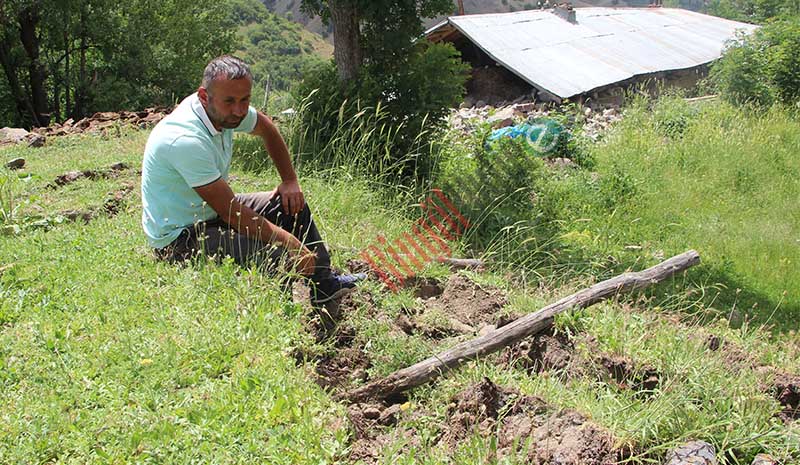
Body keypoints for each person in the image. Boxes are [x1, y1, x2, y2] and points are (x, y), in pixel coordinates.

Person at [141, 55, 364, 304]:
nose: (239, 110)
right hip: (182, 237)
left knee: (290, 204)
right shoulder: (184, 139)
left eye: (245, 100)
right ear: (204, 96)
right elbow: (232, 213)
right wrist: (292, 244)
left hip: (210, 213)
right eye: (230, 102)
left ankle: (324, 285)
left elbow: (266, 127)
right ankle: (284, 321)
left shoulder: (222, 110)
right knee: (279, 256)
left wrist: (289, 181)